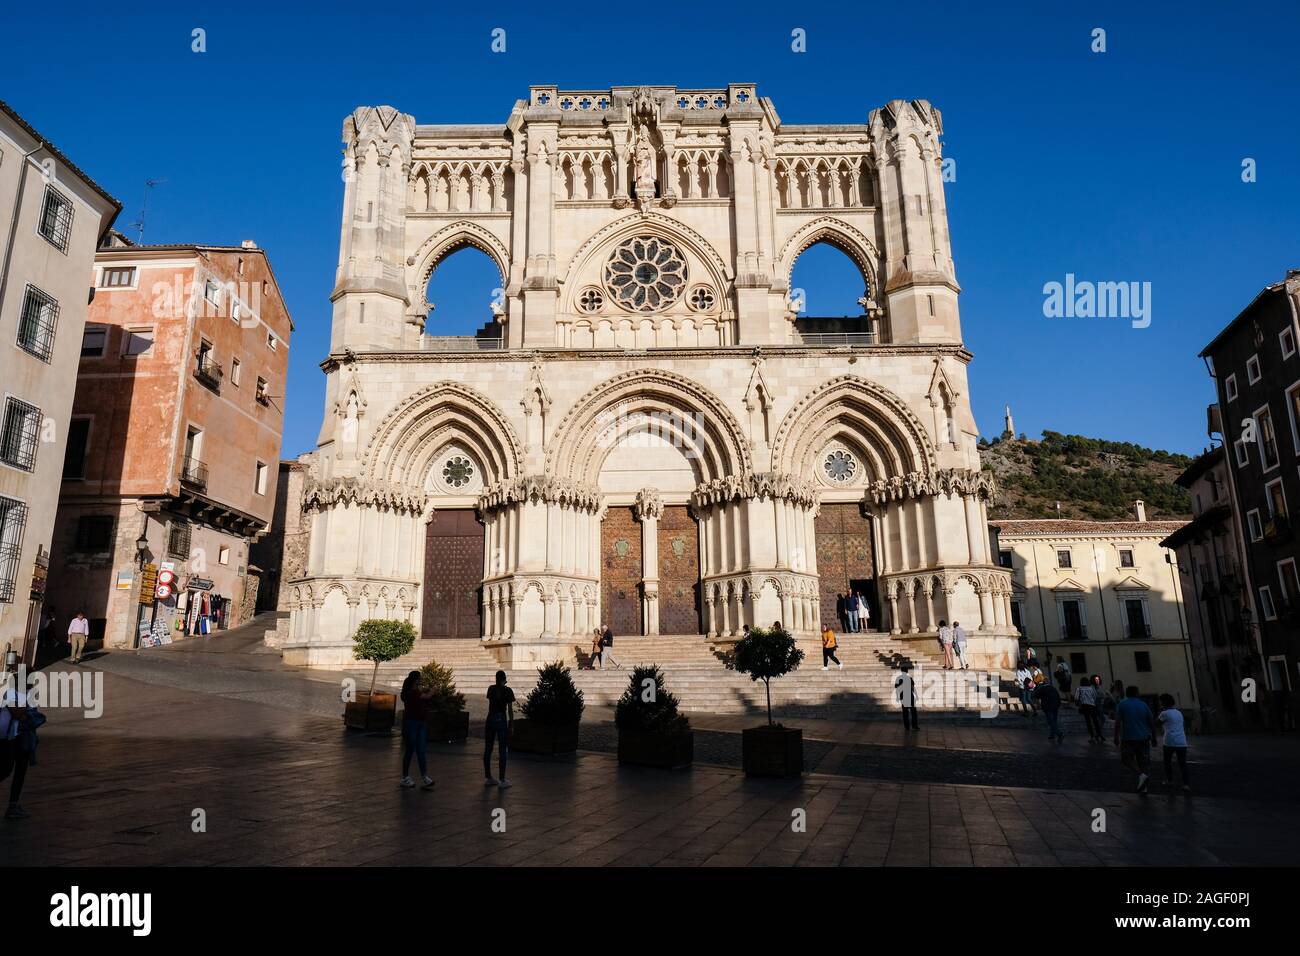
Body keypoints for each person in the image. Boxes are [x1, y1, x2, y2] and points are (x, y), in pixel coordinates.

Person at [0, 673, 32, 819]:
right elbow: (17, 713)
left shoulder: (25, 695)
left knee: (21, 768)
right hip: (5, 737)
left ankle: (13, 805)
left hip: (17, 735)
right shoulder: (11, 693)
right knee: (5, 769)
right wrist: (25, 708)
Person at [1114, 685, 1157, 793]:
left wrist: (1116, 736)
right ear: (1137, 693)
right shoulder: (1143, 705)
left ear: (1127, 693)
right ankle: (1144, 787)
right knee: (1143, 762)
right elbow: (1151, 722)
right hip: (1144, 737)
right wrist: (1154, 737)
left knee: (1126, 758)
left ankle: (1141, 776)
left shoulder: (1122, 704)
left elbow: (1118, 721)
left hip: (1129, 738)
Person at [398, 671, 435, 791]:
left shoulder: (413, 692)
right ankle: (407, 777)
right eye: (419, 679)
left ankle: (424, 776)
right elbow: (427, 696)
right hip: (412, 723)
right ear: (416, 680)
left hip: (418, 722)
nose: (421, 681)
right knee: (412, 750)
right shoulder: (412, 693)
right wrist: (433, 689)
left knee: (420, 750)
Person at [484, 670, 515, 788]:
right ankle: (502, 779)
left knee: (488, 748)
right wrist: (511, 724)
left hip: (491, 717)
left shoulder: (490, 689)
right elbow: (510, 709)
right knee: (503, 749)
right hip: (501, 718)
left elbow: (493, 698)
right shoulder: (508, 690)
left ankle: (488, 777)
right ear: (504, 679)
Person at [1157, 694, 1190, 791]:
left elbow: (1156, 724)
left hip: (1169, 741)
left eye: (1160, 701)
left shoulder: (1164, 713)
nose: (1159, 703)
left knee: (1167, 762)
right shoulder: (1179, 713)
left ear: (1164, 702)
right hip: (1181, 741)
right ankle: (1186, 784)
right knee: (1182, 763)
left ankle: (1170, 780)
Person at [1075, 676, 1103, 742]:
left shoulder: (1079, 688)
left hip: (1085, 706)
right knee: (1095, 721)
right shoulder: (1091, 688)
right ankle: (1099, 734)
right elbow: (1095, 696)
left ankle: (1092, 736)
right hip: (1092, 705)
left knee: (1088, 722)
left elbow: (1076, 698)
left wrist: (1078, 703)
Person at [895, 663, 919, 730]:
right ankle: (914, 726)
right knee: (913, 712)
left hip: (903, 697)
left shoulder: (898, 679)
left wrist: (897, 697)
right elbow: (913, 688)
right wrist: (916, 695)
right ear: (907, 671)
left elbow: (897, 689)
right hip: (910, 696)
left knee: (905, 713)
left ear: (901, 671)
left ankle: (907, 727)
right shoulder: (909, 678)